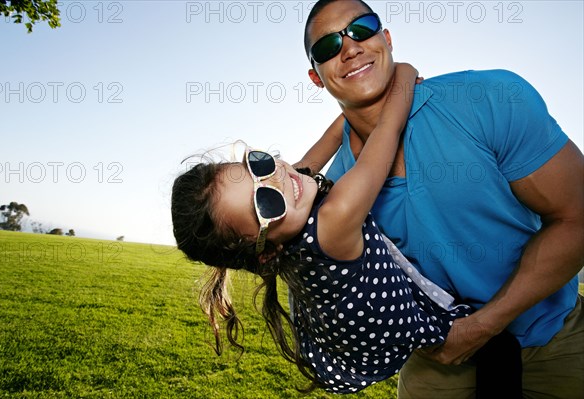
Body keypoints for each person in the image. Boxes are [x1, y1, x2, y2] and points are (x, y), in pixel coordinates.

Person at [300, 0, 584, 397]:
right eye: (329, 47)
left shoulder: (489, 99)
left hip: (553, 335)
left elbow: (577, 218)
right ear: (317, 77)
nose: (349, 48)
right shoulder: (337, 194)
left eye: (362, 28)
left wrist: (483, 326)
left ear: (387, 38)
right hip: (441, 357)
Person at [172, 64, 483, 393]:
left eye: (257, 165)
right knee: (500, 350)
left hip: (361, 323)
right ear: (265, 251)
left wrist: (359, 101)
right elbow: (387, 132)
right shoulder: (334, 221)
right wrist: (401, 75)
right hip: (420, 328)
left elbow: (334, 136)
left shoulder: (287, 204)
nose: (278, 177)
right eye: (265, 202)